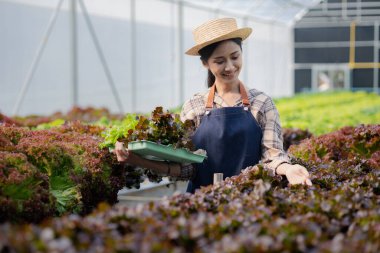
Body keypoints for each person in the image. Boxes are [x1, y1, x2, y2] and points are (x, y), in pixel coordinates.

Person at [115, 17, 312, 193]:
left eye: (235, 57)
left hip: (250, 202)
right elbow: (188, 168)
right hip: (202, 201)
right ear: (205, 63)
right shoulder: (194, 106)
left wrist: (289, 169)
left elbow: (272, 157)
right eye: (219, 61)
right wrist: (138, 160)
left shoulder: (261, 103)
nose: (230, 67)